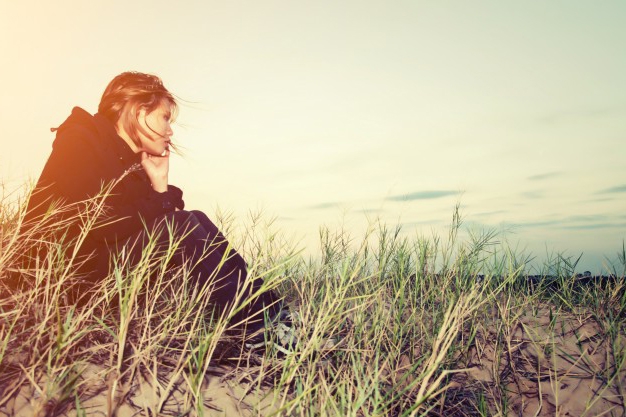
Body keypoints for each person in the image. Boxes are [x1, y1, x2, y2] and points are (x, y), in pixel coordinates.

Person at [21, 71, 283, 341]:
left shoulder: (129, 164)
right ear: (138, 112)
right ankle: (257, 331)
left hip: (97, 271)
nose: (170, 131)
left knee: (196, 218)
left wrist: (159, 184)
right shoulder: (80, 139)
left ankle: (272, 316)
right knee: (180, 225)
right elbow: (101, 223)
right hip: (57, 281)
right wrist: (162, 197)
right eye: (165, 118)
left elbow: (152, 233)